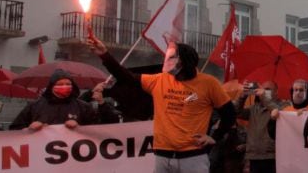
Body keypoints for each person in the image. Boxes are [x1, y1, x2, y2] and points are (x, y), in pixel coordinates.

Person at [90, 34, 236, 173]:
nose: (168, 63)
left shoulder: (209, 83)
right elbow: (125, 76)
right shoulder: (160, 80)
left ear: (185, 62)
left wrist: (214, 137)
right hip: (162, 156)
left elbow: (229, 113)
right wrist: (104, 54)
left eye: (173, 58)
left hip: (193, 157)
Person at [9, 69, 101, 131]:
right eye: (60, 84)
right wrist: (29, 129)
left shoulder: (83, 107)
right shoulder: (34, 106)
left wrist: (79, 128)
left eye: (68, 84)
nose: (64, 86)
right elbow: (14, 130)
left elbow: (96, 130)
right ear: (52, 86)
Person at [237, 81, 280, 173]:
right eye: (263, 89)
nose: (264, 91)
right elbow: (236, 112)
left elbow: (277, 112)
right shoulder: (254, 108)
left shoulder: (283, 105)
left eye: (268, 89)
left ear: (276, 92)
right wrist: (242, 97)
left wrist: (264, 97)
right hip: (254, 156)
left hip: (273, 156)